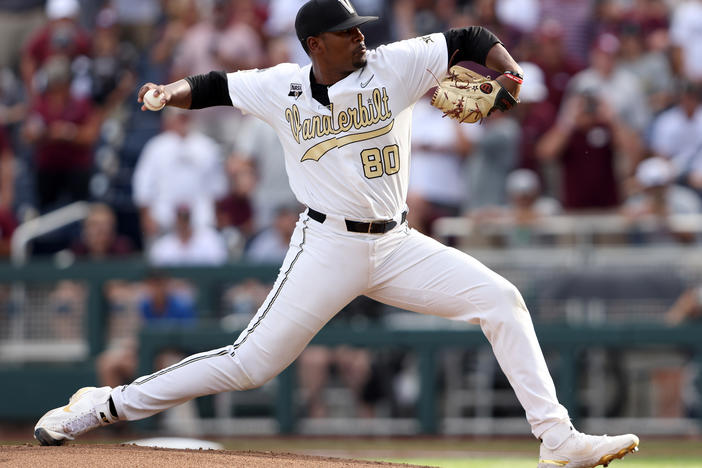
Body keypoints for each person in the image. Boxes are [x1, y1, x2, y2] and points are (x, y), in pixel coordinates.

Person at [34, 2, 639, 466]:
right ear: (314, 44)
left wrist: (509, 76)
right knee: (247, 365)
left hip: (398, 245)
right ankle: (103, 405)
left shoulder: (394, 66)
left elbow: (471, 40)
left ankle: (556, 439)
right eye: (348, 31)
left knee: (500, 300)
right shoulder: (283, 86)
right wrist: (171, 92)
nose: (362, 35)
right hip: (326, 246)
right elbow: (219, 85)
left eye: (361, 26)